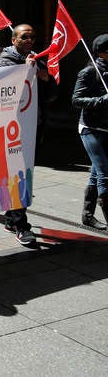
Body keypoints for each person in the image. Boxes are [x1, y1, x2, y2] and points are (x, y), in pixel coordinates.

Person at [0, 23, 57, 246]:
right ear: (14, 40)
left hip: (33, 126)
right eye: (24, 37)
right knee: (18, 175)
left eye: (32, 37)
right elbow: (1, 91)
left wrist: (44, 76)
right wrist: (24, 72)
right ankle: (21, 226)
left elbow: (51, 94)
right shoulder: (4, 61)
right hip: (11, 128)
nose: (29, 40)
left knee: (24, 173)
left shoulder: (36, 60)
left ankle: (12, 219)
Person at [71, 34, 108, 231]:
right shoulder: (89, 72)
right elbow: (76, 100)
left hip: (107, 128)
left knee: (96, 174)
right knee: (105, 175)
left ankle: (87, 216)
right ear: (102, 53)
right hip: (90, 129)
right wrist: (104, 99)